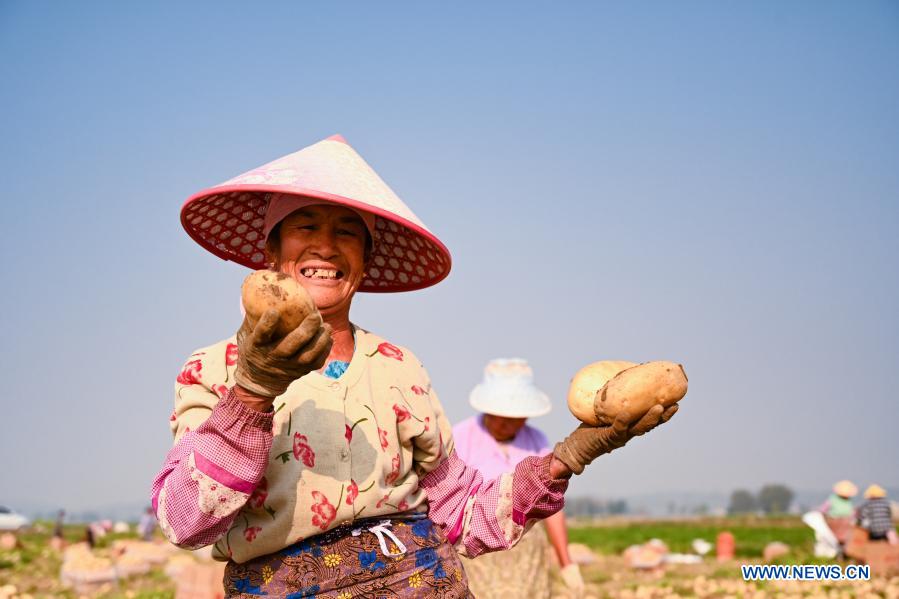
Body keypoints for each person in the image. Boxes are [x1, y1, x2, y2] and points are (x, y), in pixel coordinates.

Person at [151, 135, 677, 597]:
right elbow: (182, 520)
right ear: (271, 252)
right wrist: (252, 393)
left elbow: (464, 512)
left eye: (348, 233)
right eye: (305, 225)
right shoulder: (216, 369)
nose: (327, 246)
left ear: (365, 260)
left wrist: (573, 452)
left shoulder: (398, 367)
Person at [453, 358, 584, 598]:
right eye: (501, 416)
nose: (508, 424)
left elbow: (550, 503)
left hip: (527, 554)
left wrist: (566, 562)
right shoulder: (460, 437)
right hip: (478, 552)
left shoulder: (536, 441)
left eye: (516, 417)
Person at [818, 480, 858, 553]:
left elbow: (822, 510)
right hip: (844, 523)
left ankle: (838, 552)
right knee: (844, 539)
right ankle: (842, 553)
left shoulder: (832, 499)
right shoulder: (848, 501)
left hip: (834, 522)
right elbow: (853, 513)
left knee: (833, 539)